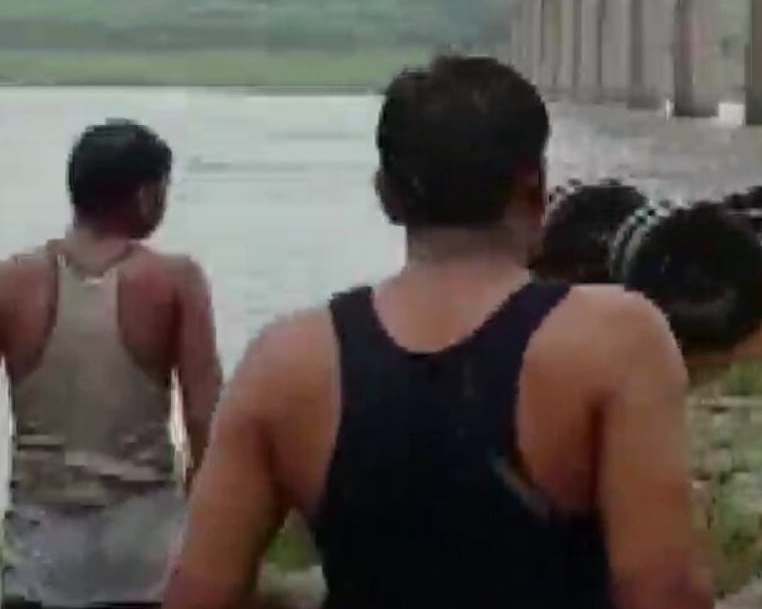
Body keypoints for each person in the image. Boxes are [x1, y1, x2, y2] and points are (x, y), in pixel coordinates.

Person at [163, 56, 712, 609]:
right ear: (535, 185)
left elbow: (197, 595)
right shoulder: (616, 340)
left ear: (385, 194)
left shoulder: (284, 362)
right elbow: (663, 593)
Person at [0, 120, 224, 609]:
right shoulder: (175, 282)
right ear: (144, 197)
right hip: (147, 556)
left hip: (41, 558)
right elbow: (207, 424)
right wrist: (221, 548)